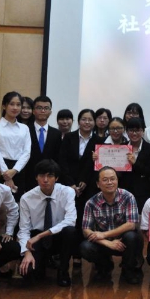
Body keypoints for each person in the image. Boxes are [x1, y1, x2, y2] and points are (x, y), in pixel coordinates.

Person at [18, 159, 78, 287]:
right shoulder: (26, 198)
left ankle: (63, 271)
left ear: (56, 178)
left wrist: (42, 235)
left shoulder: (67, 192)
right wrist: (27, 252)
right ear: (36, 177)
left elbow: (70, 220)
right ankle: (44, 262)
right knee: (28, 273)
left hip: (58, 236)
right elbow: (23, 229)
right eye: (41, 176)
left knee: (70, 231)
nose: (45, 180)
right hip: (37, 239)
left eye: (50, 176)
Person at [81, 166, 143, 285]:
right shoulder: (91, 203)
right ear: (98, 184)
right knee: (85, 247)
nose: (109, 182)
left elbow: (131, 224)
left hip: (123, 241)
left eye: (112, 179)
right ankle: (104, 267)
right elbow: (86, 230)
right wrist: (107, 242)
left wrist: (104, 234)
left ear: (117, 181)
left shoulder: (128, 197)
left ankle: (128, 270)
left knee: (132, 236)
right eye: (105, 180)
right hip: (104, 243)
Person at [58, 108, 102, 270]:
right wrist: (71, 184)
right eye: (84, 119)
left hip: (88, 187)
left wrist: (84, 182)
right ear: (78, 121)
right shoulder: (69, 137)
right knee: (70, 221)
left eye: (90, 120)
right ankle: (69, 255)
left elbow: (97, 167)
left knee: (84, 221)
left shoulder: (99, 140)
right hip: (68, 185)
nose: (87, 122)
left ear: (94, 122)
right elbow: (62, 162)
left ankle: (79, 255)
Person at [0, 91, 31, 198]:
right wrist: (6, 174)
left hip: (19, 169)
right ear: (4, 106)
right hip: (0, 168)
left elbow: (27, 152)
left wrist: (14, 170)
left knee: (18, 202)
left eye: (18, 105)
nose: (15, 108)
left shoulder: (24, 128)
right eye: (12, 104)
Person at [25, 95, 62, 192]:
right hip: (28, 178)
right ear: (33, 111)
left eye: (46, 108)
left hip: (49, 180)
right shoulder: (25, 130)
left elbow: (58, 158)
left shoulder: (56, 133)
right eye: (39, 108)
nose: (43, 111)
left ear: (50, 112)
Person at [122, 117, 150, 212]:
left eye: (138, 130)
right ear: (127, 132)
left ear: (143, 131)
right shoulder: (122, 147)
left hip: (143, 192)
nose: (134, 133)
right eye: (131, 130)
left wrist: (135, 163)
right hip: (124, 190)